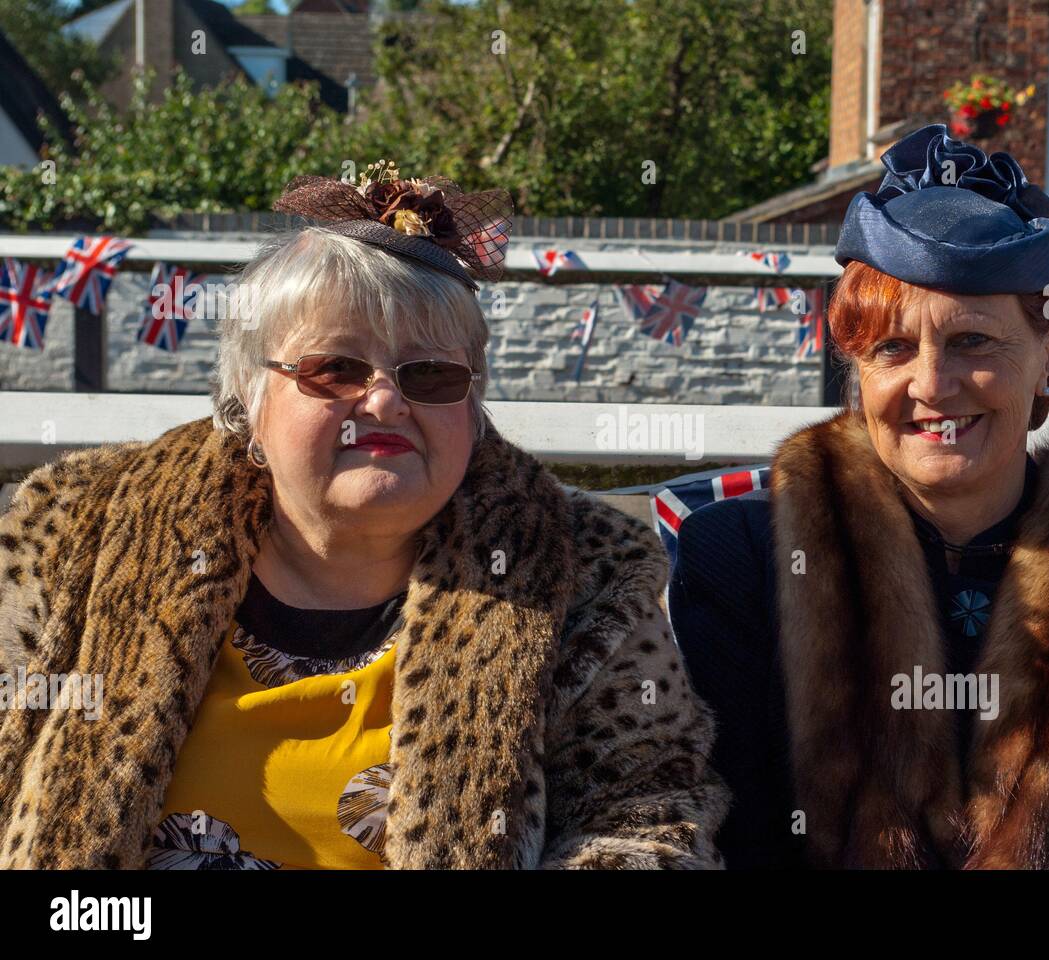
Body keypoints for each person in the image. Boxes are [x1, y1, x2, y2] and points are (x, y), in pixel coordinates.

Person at [0, 162, 727, 869]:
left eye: (430, 375)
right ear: (247, 400)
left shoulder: (588, 574)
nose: (384, 402)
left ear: (471, 411)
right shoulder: (75, 531)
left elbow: (650, 822)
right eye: (336, 368)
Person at [668, 124, 1049, 869]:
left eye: (974, 342)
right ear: (856, 372)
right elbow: (733, 850)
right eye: (892, 348)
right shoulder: (742, 565)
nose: (932, 385)